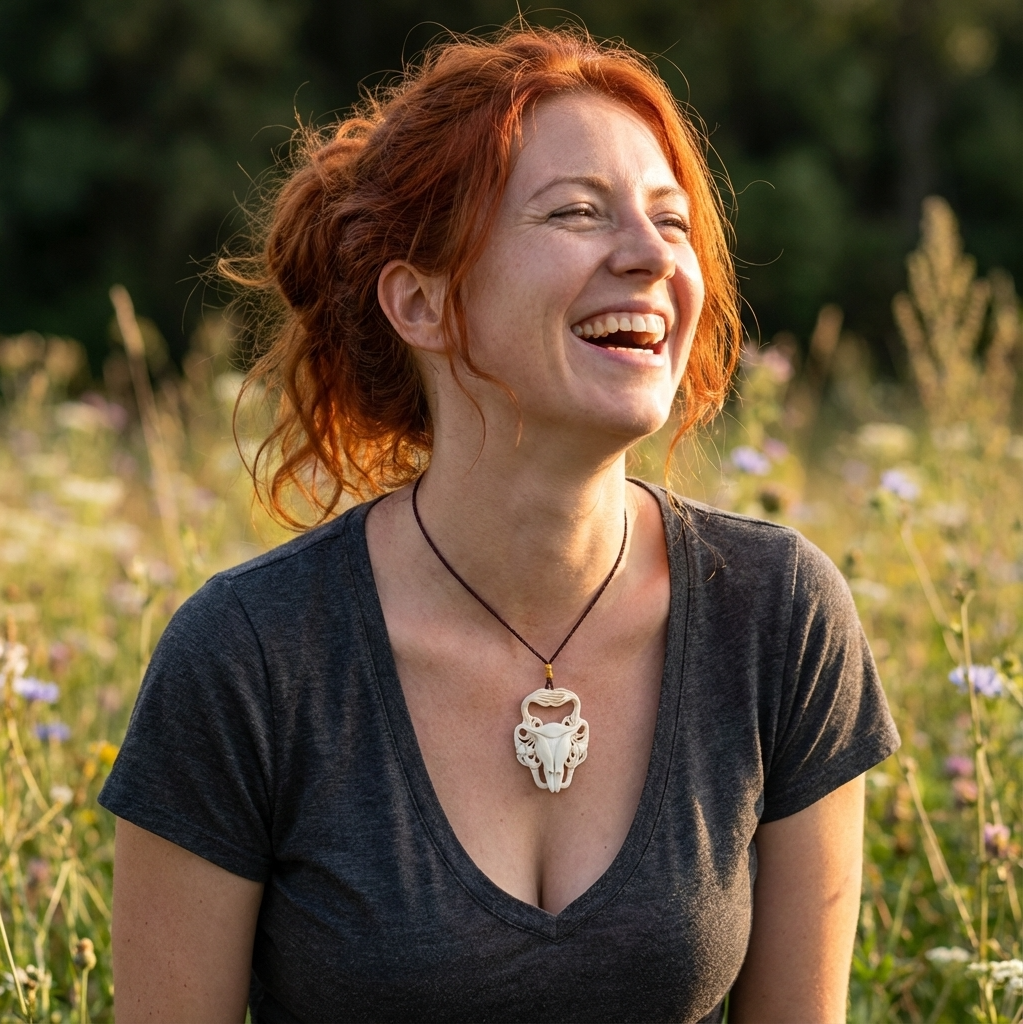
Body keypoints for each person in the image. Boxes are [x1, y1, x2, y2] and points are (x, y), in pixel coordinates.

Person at [100, 24, 900, 1024]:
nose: (653, 256)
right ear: (422, 302)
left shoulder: (777, 614)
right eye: (577, 212)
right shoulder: (251, 658)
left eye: (672, 220)